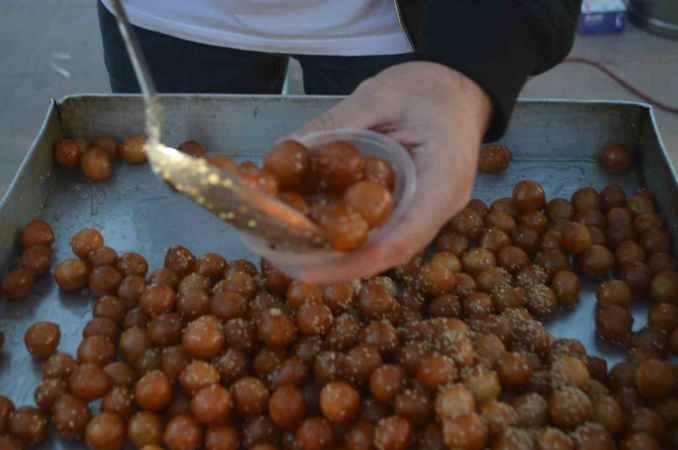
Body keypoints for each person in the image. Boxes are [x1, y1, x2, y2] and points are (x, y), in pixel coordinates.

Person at [98, 1, 581, 283]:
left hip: (392, 20)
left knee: (390, 258)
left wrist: (479, 53)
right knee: (173, 216)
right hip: (162, 14)